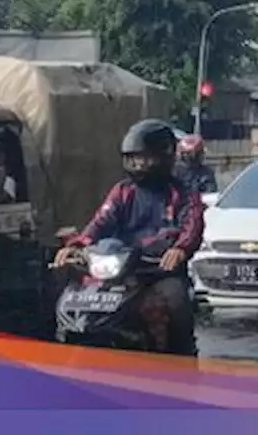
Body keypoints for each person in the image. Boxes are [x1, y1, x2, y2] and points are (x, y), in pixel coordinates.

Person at [52, 119, 204, 356]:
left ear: (163, 156)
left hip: (158, 272)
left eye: (145, 158)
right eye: (134, 158)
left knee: (176, 300)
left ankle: (183, 361)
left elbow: (192, 227)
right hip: (120, 270)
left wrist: (180, 249)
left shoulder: (183, 194)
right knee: (71, 291)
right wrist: (78, 245)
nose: (139, 164)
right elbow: (100, 223)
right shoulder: (123, 191)